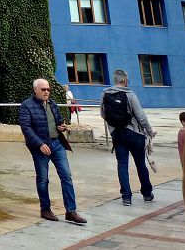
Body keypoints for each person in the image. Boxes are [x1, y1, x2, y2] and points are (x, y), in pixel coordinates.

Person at [19, 79, 87, 224]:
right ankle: (45, 209)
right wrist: (39, 144)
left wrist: (61, 126)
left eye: (48, 89)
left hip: (57, 144)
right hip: (41, 147)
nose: (46, 92)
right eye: (43, 89)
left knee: (66, 176)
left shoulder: (52, 103)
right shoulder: (27, 105)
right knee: (43, 179)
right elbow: (26, 128)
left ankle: (71, 211)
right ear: (35, 90)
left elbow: (58, 120)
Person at [100, 69, 156, 205]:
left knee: (122, 165)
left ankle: (126, 197)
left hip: (117, 134)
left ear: (115, 80)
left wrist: (114, 127)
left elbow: (103, 114)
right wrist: (149, 131)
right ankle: (147, 193)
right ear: (125, 81)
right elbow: (141, 116)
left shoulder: (105, 93)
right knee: (140, 164)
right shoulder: (130, 94)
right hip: (134, 133)